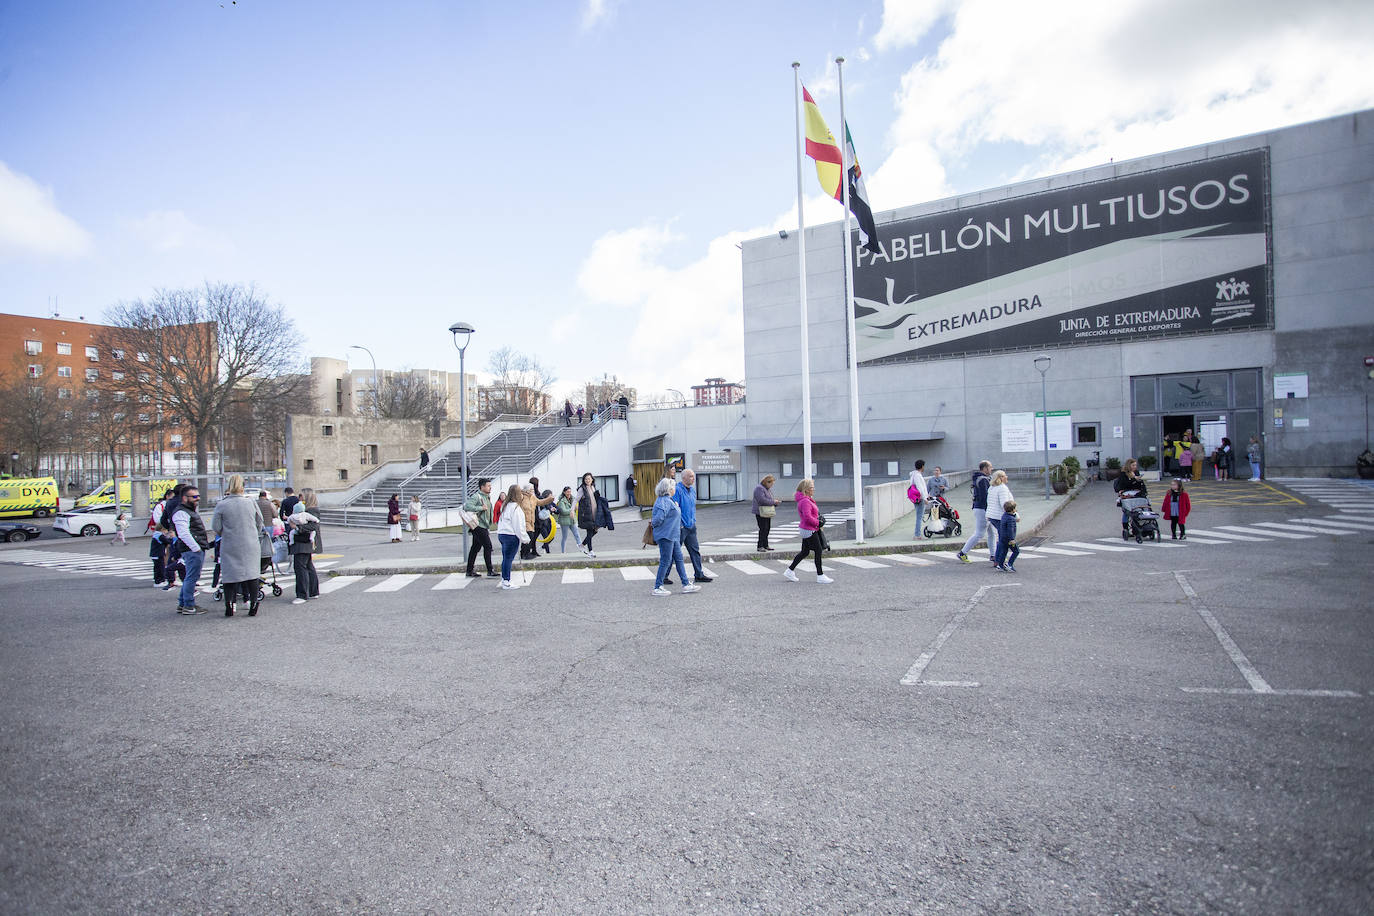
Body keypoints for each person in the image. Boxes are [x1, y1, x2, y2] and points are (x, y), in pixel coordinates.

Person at [212, 474, 266, 617]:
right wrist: (253, 532)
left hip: (230, 542)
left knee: (230, 575)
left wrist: (226, 532)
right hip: (250, 542)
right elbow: (260, 522)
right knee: (252, 574)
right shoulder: (251, 503)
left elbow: (216, 527)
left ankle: (230, 603)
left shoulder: (222, 504)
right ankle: (253, 603)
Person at [651, 477, 699, 596]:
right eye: (673, 487)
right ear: (668, 489)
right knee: (665, 561)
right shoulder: (664, 501)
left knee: (679, 559)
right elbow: (657, 520)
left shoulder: (668, 500)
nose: (675, 489)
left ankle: (686, 584)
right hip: (666, 536)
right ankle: (657, 587)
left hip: (673, 535)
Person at [170, 485, 210, 615]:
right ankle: (188, 605)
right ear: (184, 498)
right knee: (192, 577)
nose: (197, 499)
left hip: (192, 548)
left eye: (198, 496)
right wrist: (196, 548)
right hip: (191, 549)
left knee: (190, 576)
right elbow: (183, 533)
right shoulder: (182, 512)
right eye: (194, 497)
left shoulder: (186, 511)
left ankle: (183, 604)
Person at [783, 478, 833, 584]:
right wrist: (818, 523)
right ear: (806, 489)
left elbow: (810, 515)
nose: (813, 489)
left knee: (805, 552)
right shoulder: (805, 501)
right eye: (811, 487)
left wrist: (818, 519)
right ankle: (820, 576)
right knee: (818, 551)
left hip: (807, 529)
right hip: (809, 529)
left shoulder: (806, 499)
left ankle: (789, 571)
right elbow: (807, 517)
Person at [674, 469, 715, 584]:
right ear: (684, 478)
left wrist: (693, 521)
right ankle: (664, 576)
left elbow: (692, 507)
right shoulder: (677, 490)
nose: (693, 478)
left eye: (693, 476)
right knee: (675, 552)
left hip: (691, 526)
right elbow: (675, 508)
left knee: (695, 551)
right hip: (681, 527)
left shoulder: (692, 490)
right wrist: (680, 524)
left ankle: (699, 574)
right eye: (691, 476)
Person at [957, 461, 995, 563]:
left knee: (992, 533)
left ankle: (993, 555)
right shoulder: (983, 480)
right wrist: (989, 511)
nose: (991, 469)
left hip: (981, 508)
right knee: (979, 534)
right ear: (985, 468)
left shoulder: (980, 478)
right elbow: (985, 497)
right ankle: (962, 553)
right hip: (983, 509)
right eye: (990, 467)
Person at [495, 483, 529, 590]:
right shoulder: (515, 508)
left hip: (502, 534)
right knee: (508, 559)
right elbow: (518, 526)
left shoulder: (505, 505)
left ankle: (505, 578)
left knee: (506, 558)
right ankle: (506, 580)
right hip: (511, 536)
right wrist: (525, 538)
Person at [286, 501, 320, 604]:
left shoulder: (310, 512)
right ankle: (313, 592)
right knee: (308, 567)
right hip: (306, 543)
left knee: (301, 568)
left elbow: (313, 526)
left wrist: (296, 527)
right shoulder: (309, 511)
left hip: (301, 543)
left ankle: (302, 594)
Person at [463, 478, 498, 578]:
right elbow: (467, 507)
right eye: (488, 486)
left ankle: (469, 570)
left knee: (475, 548)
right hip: (478, 526)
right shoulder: (477, 496)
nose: (490, 487)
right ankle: (490, 570)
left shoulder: (486, 497)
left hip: (482, 525)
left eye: (490, 486)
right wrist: (481, 508)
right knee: (488, 546)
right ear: (482, 487)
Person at [1114, 458, 1148, 538]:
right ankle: (1125, 528)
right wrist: (1133, 479)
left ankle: (1137, 527)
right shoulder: (1123, 473)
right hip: (1127, 492)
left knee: (1138, 509)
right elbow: (1123, 484)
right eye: (1133, 465)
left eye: (1135, 465)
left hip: (1136, 492)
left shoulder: (1136, 472)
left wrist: (1139, 481)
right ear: (1129, 465)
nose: (1135, 467)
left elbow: (1138, 485)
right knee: (1127, 511)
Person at [752, 474, 782, 551]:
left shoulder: (766, 489)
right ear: (767, 482)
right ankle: (760, 546)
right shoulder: (759, 488)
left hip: (766, 512)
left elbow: (767, 500)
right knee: (763, 528)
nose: (771, 486)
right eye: (771, 484)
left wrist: (775, 502)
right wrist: (773, 502)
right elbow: (761, 500)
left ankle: (765, 545)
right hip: (760, 512)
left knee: (767, 528)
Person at [576, 472, 599, 557]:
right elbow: (576, 500)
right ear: (583, 480)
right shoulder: (582, 489)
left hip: (594, 513)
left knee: (595, 531)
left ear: (592, 479)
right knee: (589, 532)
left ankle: (581, 545)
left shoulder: (593, 487)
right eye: (586, 479)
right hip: (587, 514)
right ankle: (591, 551)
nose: (587, 480)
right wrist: (572, 510)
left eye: (589, 479)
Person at [993, 499, 1020, 572]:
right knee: (1016, 551)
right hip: (1009, 539)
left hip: (1003, 538)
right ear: (1012, 510)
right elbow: (1010, 530)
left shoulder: (1004, 516)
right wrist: (1012, 539)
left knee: (1004, 551)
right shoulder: (1011, 519)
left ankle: (1000, 565)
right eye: (1015, 508)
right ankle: (1009, 564)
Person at [908, 460, 929, 539]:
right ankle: (917, 535)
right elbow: (920, 487)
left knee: (918, 516)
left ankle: (917, 534)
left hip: (916, 498)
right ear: (922, 466)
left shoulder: (913, 475)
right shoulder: (917, 475)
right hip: (920, 498)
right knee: (919, 517)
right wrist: (925, 498)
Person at [555, 486, 576, 553]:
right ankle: (563, 552)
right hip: (564, 522)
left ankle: (582, 550)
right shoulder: (561, 501)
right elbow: (563, 511)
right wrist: (572, 510)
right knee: (564, 537)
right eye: (567, 492)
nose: (569, 493)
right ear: (564, 492)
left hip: (572, 520)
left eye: (570, 491)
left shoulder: (573, 499)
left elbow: (576, 507)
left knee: (577, 535)